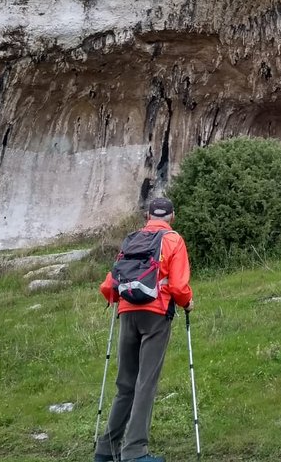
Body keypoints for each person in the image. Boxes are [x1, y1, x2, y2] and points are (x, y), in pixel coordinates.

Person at [95, 197, 193, 462]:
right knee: (145, 383)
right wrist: (187, 302)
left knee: (125, 384)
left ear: (148, 216)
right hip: (156, 315)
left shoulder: (131, 239)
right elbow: (178, 287)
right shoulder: (173, 240)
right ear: (173, 216)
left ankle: (106, 449)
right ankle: (135, 452)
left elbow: (109, 285)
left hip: (126, 312)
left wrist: (120, 300)